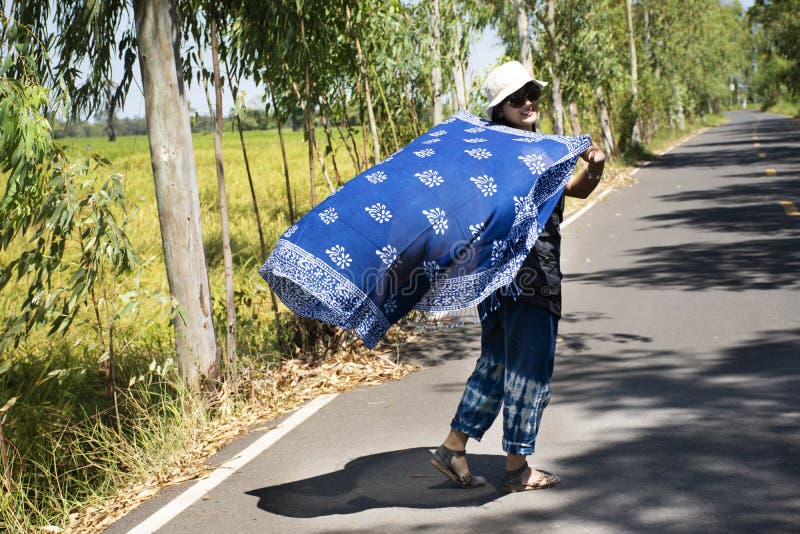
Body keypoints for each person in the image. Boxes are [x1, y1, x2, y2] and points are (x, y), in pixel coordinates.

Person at [430, 61, 606, 492]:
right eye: (516, 98)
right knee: (529, 369)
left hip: (493, 279)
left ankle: (453, 448)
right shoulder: (515, 152)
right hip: (530, 280)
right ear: (499, 108)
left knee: (496, 363)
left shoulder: (541, 149)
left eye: (532, 94)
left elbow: (577, 190)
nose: (527, 102)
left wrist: (595, 164)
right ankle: (517, 469)